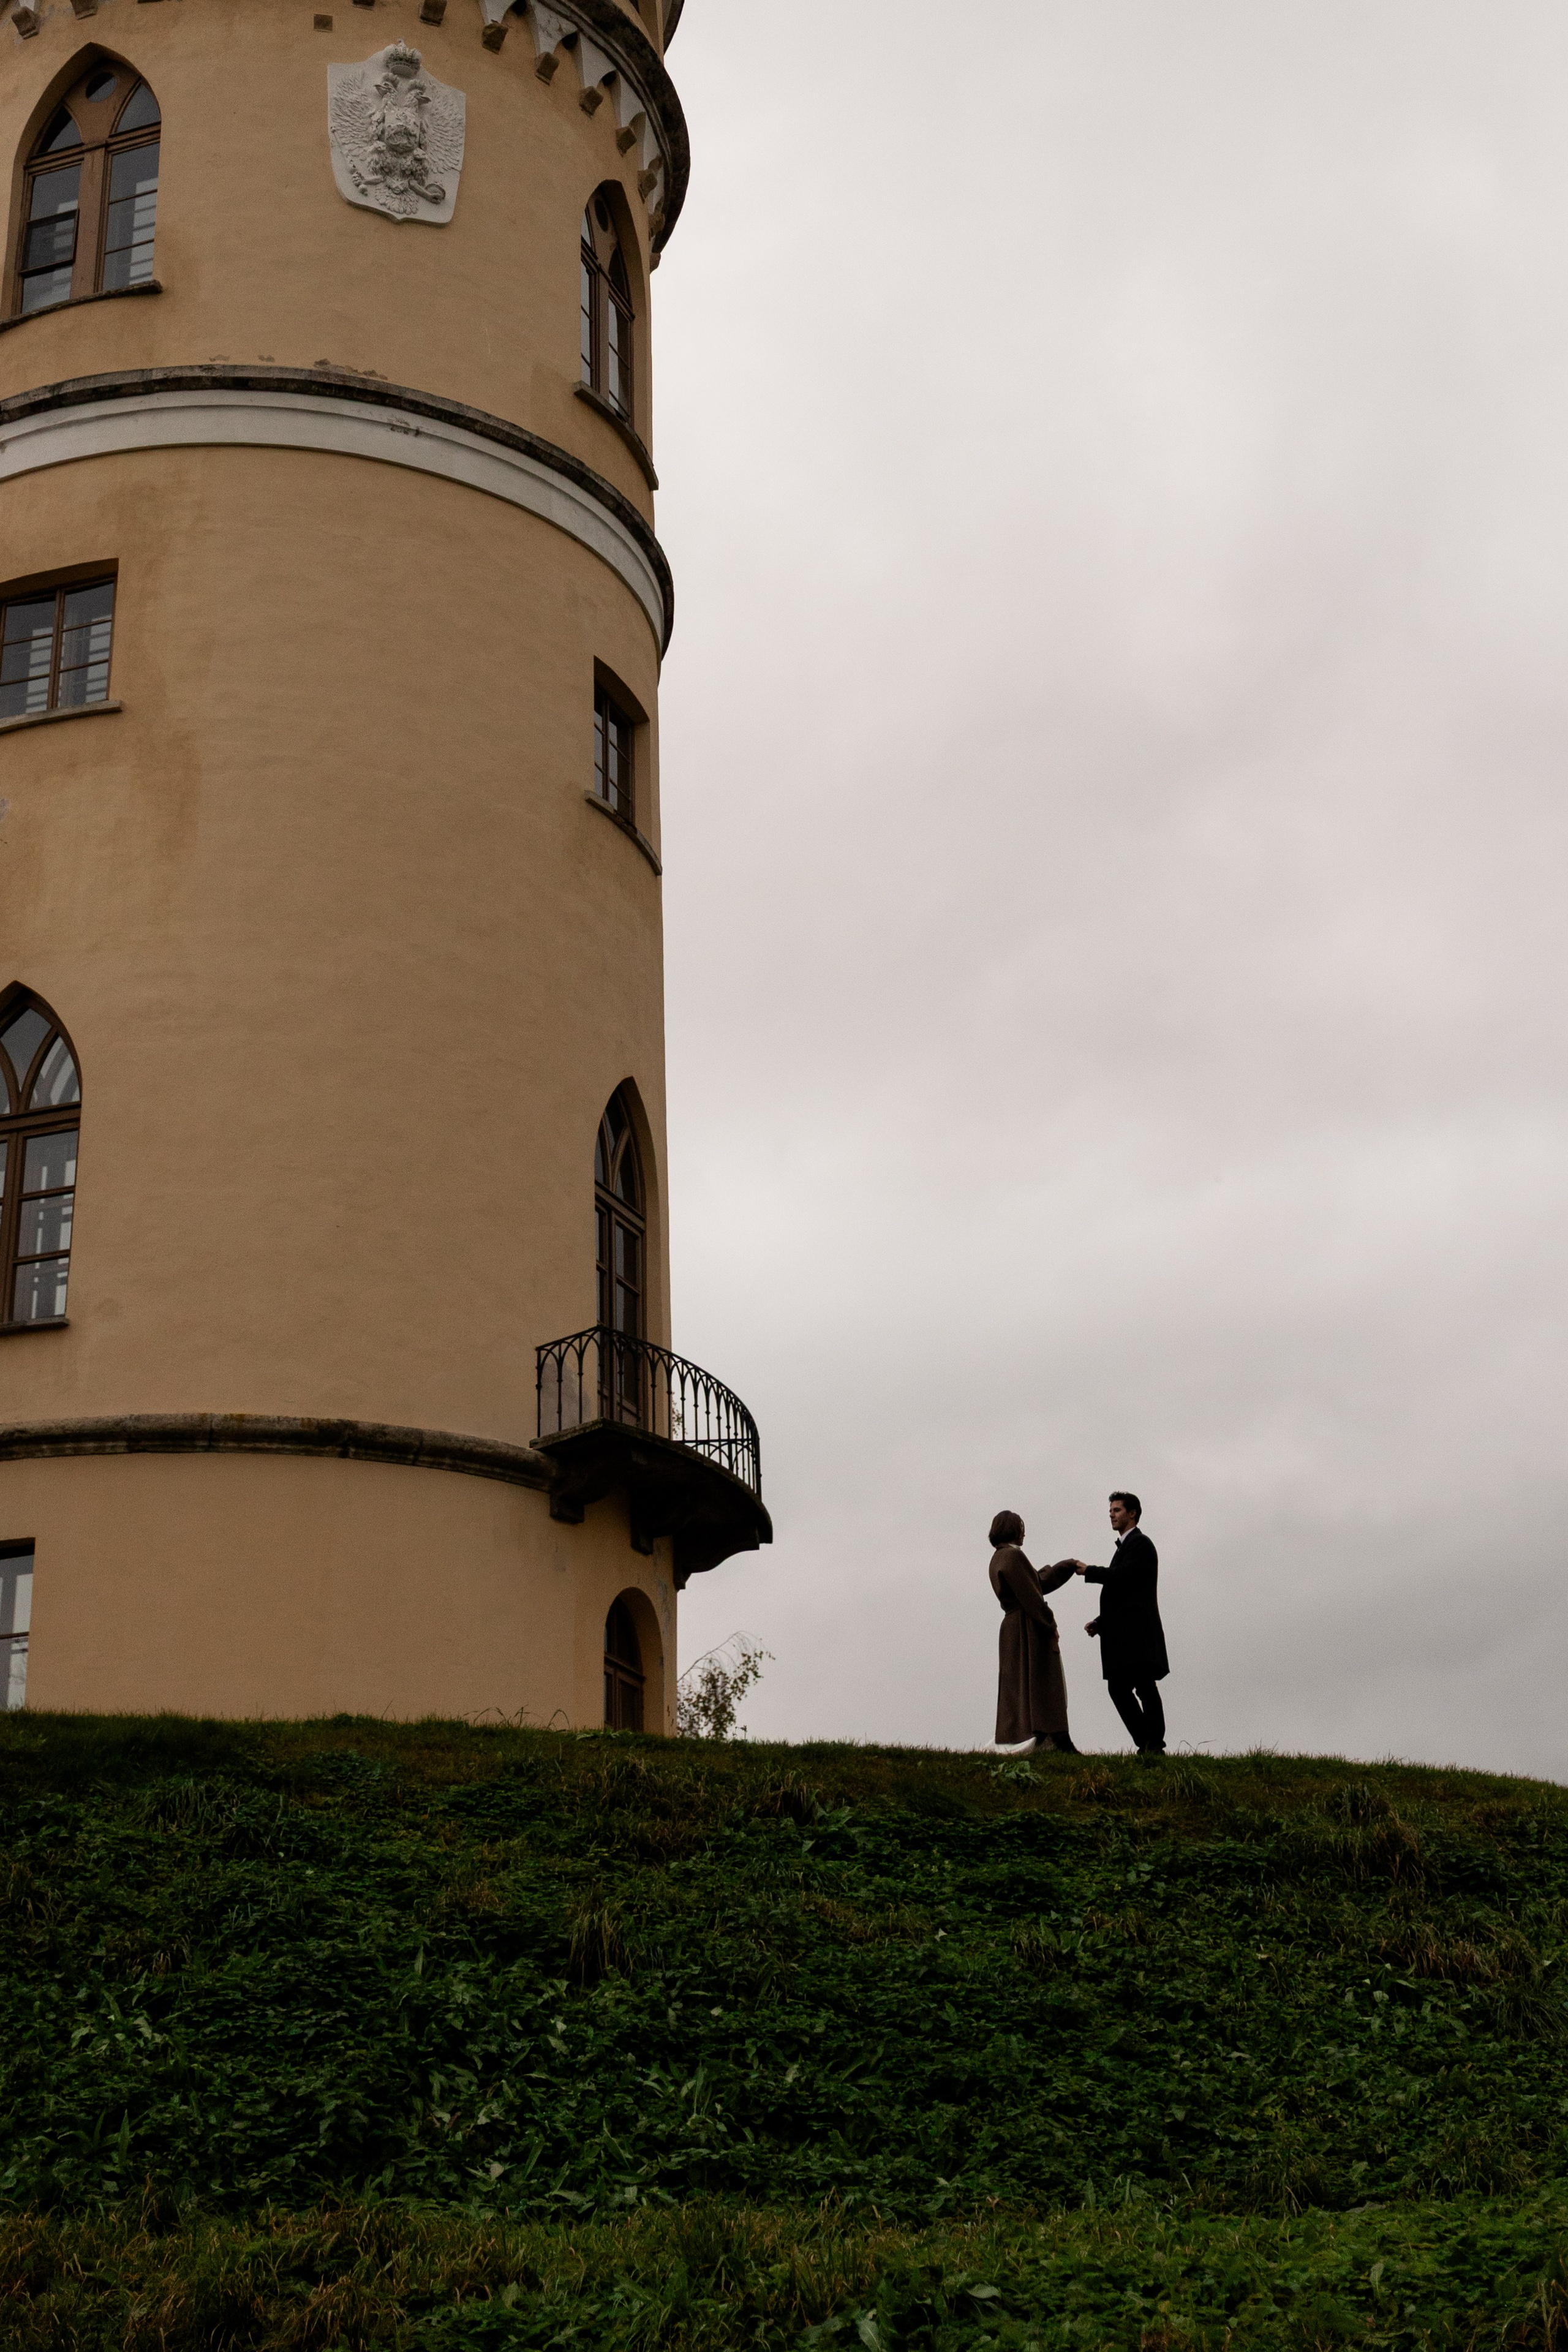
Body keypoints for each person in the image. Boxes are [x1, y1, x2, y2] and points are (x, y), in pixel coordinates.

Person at [1075, 1492, 1169, 1754]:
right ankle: (1148, 1744)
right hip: (1126, 1637)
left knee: (1143, 1686)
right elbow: (1124, 1595)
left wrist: (1089, 1570)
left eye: (1117, 1510)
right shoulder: (1126, 1547)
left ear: (1133, 1514)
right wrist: (1100, 1623)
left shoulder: (1141, 1544)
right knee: (1119, 1687)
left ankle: (1153, 1744)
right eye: (1111, 1511)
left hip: (1137, 1635)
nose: (1112, 1514)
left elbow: (1124, 1579)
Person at [989, 1510, 1080, 1754]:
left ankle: (1042, 1736)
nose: (1024, 1532)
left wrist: (1066, 1567)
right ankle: (1056, 1738)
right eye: (1020, 1527)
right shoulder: (1013, 1557)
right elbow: (1033, 1594)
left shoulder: (998, 1558)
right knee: (1042, 1680)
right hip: (1027, 1625)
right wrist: (1050, 1624)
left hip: (1013, 1626)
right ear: (1012, 1530)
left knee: (1019, 1683)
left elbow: (1035, 1583)